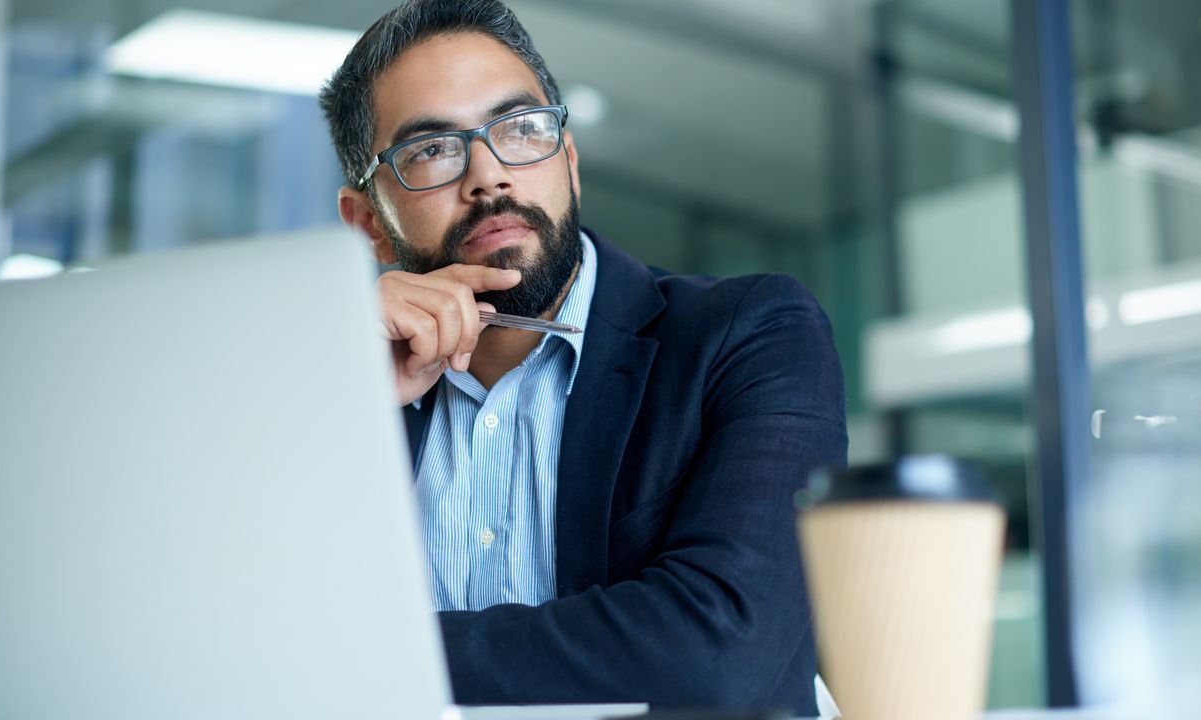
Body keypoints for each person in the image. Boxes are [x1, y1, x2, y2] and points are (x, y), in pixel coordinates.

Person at [319, 0, 847, 713]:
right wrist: (341, 406)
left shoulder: (749, 334)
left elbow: (720, 657)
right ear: (368, 226)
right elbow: (226, 641)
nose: (489, 176)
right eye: (431, 150)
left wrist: (359, 659)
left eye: (521, 129)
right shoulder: (339, 394)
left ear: (567, 160)